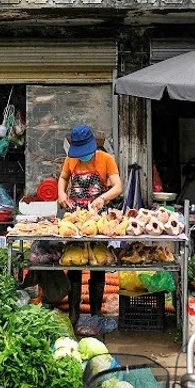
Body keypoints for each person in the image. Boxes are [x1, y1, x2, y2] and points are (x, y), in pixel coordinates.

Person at [57, 124, 123, 324]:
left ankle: (96, 314)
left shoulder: (106, 159)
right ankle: (74, 313)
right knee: (74, 264)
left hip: (97, 218)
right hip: (74, 220)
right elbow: (63, 178)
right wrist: (61, 193)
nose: (83, 156)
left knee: (98, 264)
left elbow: (118, 187)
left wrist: (103, 198)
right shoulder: (71, 159)